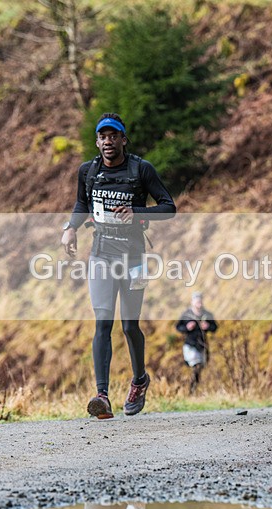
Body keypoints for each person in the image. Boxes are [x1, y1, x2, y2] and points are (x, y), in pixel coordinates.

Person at [62, 113, 176, 419]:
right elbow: (82, 204)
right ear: (97, 142)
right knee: (103, 321)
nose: (108, 142)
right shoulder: (88, 171)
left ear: (123, 140)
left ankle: (139, 381)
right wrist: (70, 228)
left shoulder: (141, 169)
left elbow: (169, 207)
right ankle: (102, 396)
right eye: (103, 137)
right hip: (101, 255)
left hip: (135, 259)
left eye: (114, 136)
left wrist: (138, 212)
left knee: (129, 325)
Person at [175, 292, 218, 394]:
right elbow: (178, 327)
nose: (199, 303)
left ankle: (193, 388)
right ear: (192, 302)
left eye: (200, 301)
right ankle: (191, 389)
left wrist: (208, 326)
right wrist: (187, 327)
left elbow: (215, 327)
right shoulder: (186, 315)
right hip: (190, 344)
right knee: (196, 365)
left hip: (203, 345)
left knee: (201, 367)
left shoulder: (207, 315)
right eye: (197, 301)